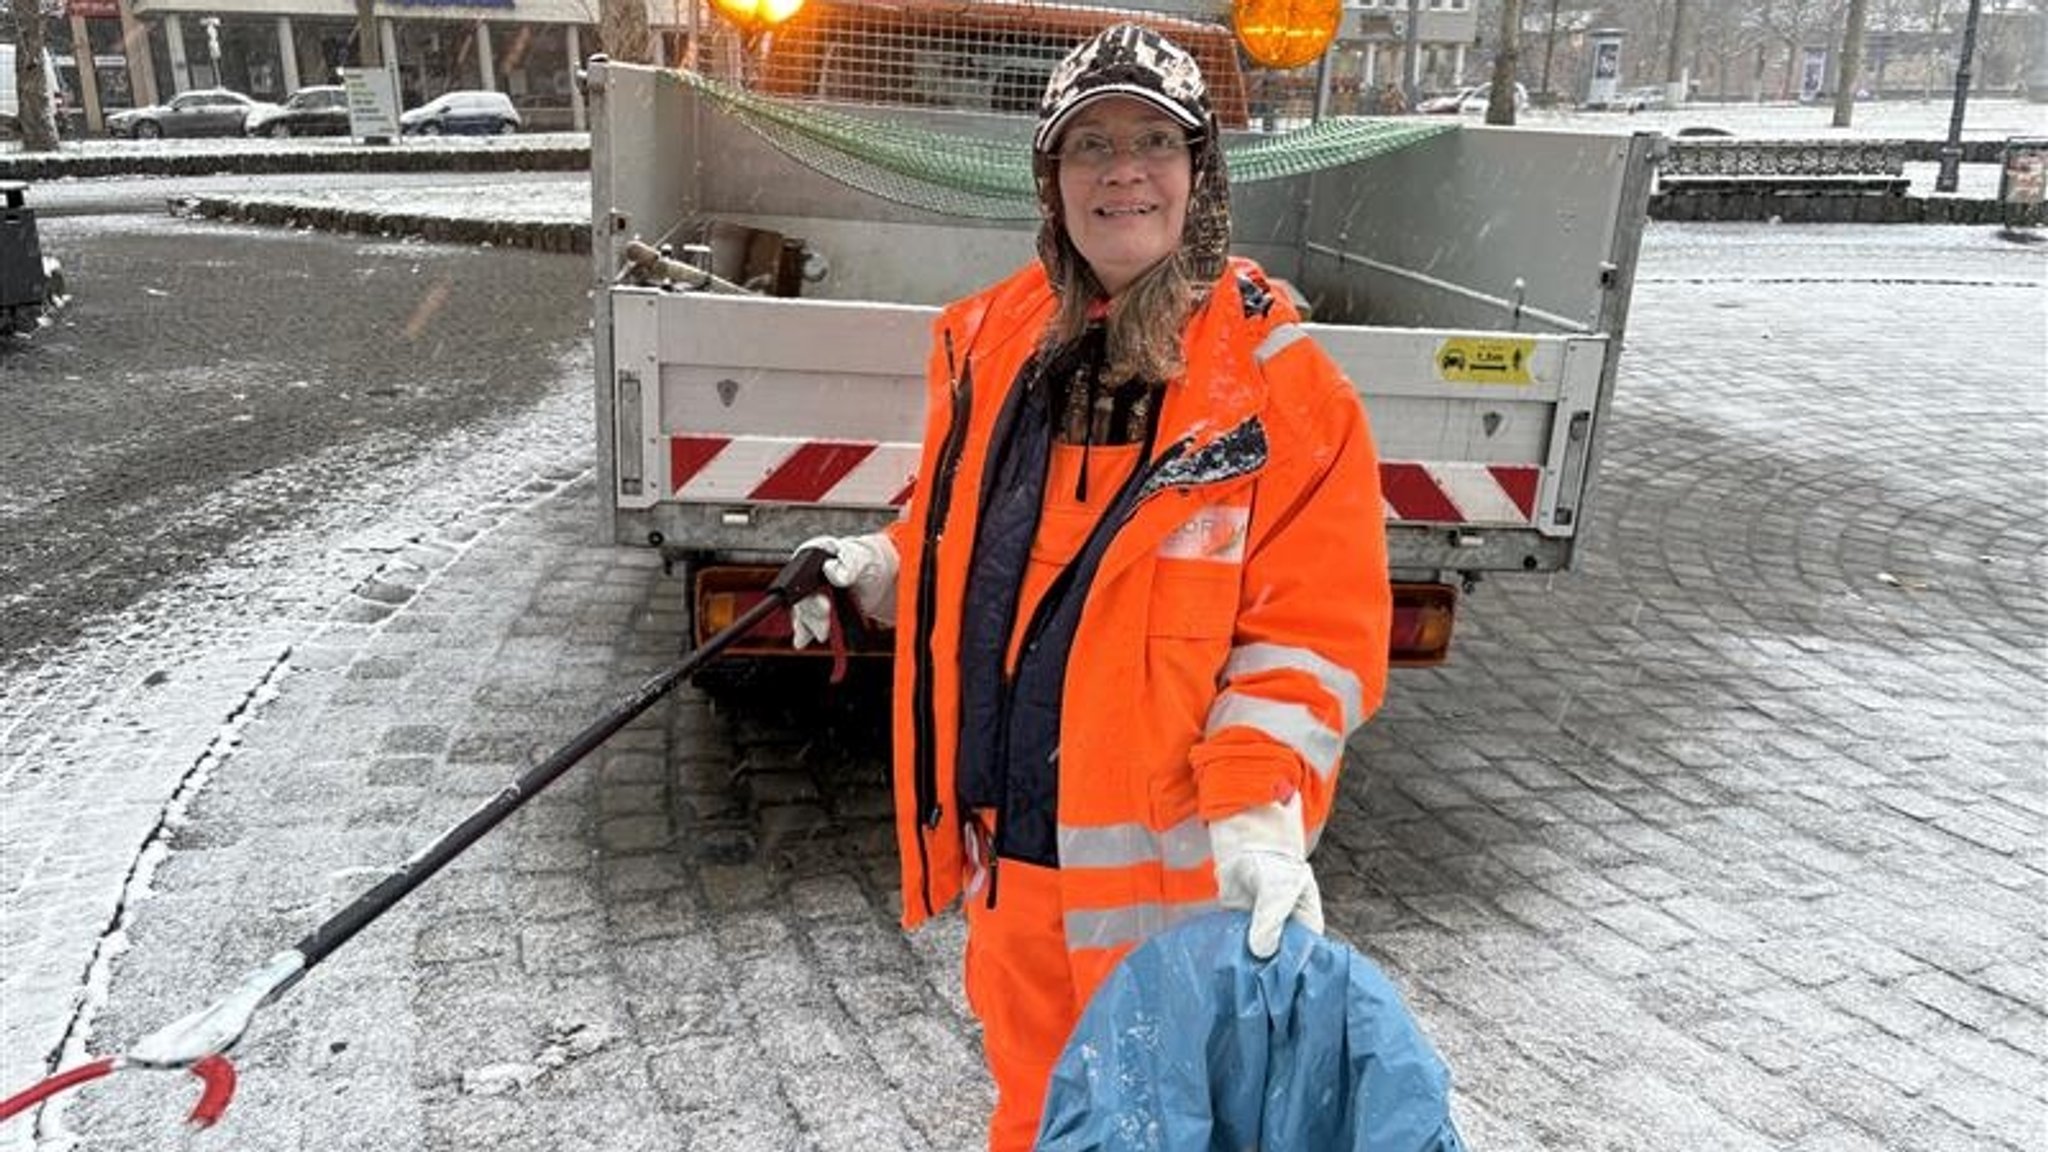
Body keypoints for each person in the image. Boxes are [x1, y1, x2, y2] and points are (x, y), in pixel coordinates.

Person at [792, 23, 1391, 1150]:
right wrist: (886, 564)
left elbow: (1310, 637)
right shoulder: (996, 344)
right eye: (1090, 145)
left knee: (1166, 1127)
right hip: (1013, 859)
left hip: (1174, 887)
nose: (1122, 170)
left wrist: (1262, 814)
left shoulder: (1278, 389)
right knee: (1034, 1113)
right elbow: (976, 533)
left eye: (1153, 141)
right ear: (1050, 177)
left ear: (1198, 172)